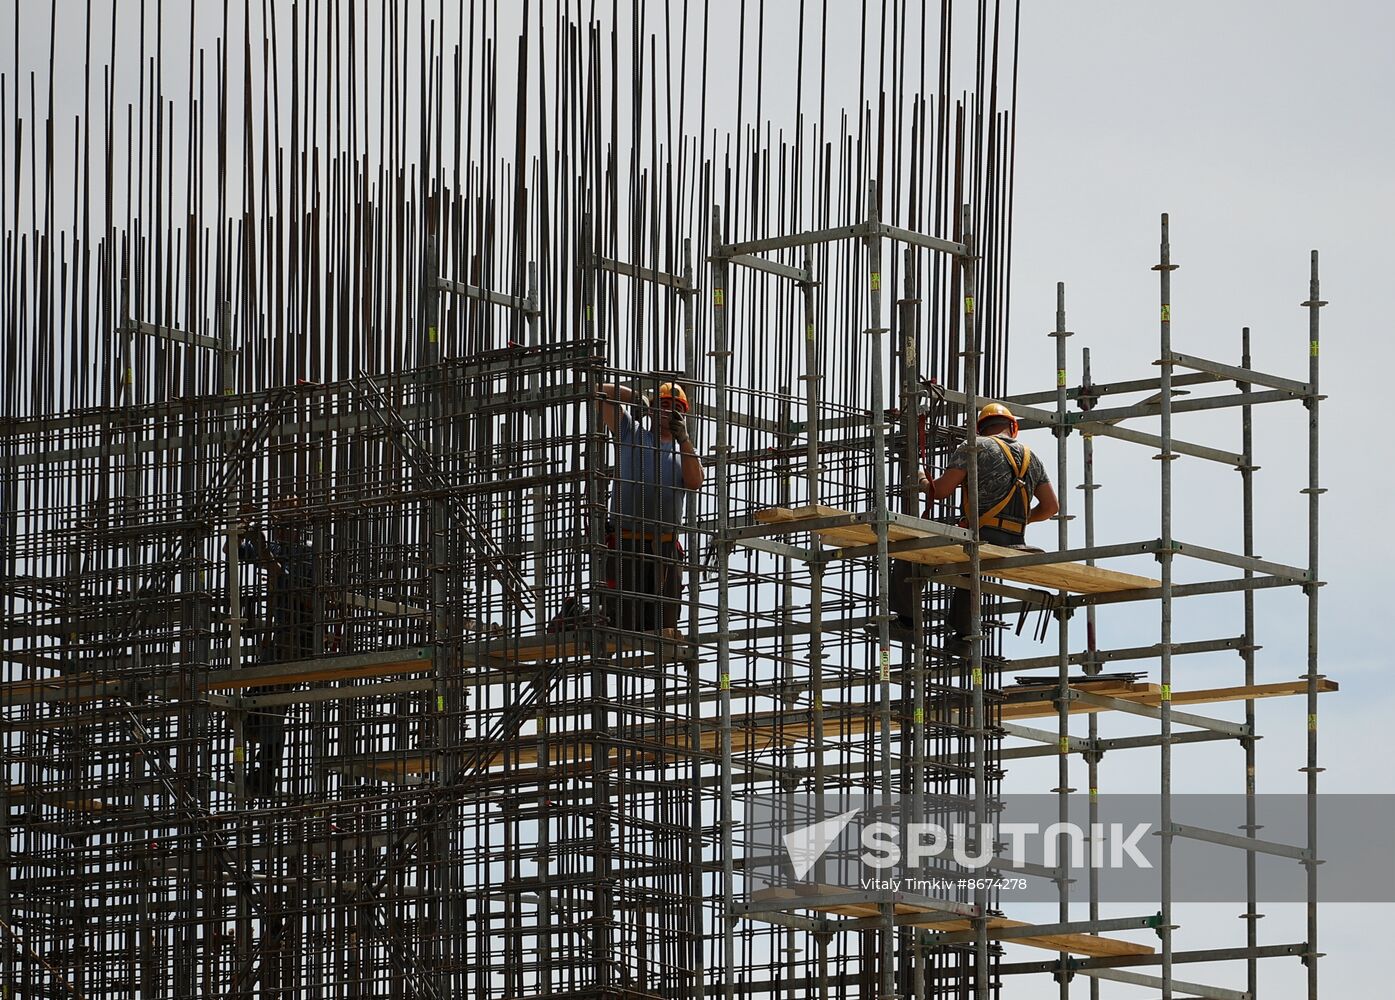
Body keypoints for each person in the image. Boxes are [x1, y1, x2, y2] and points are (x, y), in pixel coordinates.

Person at [908, 402, 1059, 654]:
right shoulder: (1033, 458)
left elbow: (941, 491)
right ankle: (964, 636)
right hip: (1016, 541)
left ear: (980, 429)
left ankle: (905, 620)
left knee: (909, 550)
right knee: (970, 572)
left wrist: (922, 481)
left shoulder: (973, 446)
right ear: (1013, 427)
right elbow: (1051, 507)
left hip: (982, 536)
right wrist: (1020, 520)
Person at [595, 379, 704, 637]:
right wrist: (635, 396)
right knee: (622, 624)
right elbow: (596, 391)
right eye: (663, 405)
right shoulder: (630, 433)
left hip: (664, 549)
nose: (669, 411)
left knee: (663, 626)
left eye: (676, 407)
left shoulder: (685, 452)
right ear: (653, 409)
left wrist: (685, 441)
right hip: (626, 543)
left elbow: (695, 481)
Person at [236, 497, 316, 795]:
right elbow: (235, 551)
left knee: (268, 701)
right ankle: (262, 766)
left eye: (288, 523)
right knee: (257, 706)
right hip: (278, 637)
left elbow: (309, 598)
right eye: (280, 522)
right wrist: (241, 526)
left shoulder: (310, 556)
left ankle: (266, 769)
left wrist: (271, 561)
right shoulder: (279, 550)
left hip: (300, 638)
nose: (282, 528)